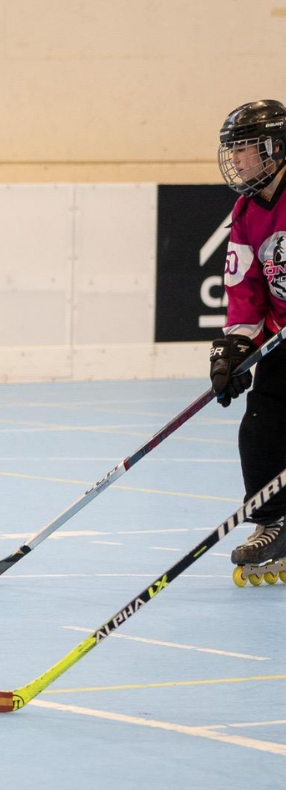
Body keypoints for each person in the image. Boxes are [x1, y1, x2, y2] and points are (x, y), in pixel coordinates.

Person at [211, 99, 286, 583]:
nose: (237, 159)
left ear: (275, 148)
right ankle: (274, 522)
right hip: (284, 338)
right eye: (233, 150)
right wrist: (235, 349)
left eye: (246, 148)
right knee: (260, 423)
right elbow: (245, 289)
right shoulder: (246, 210)